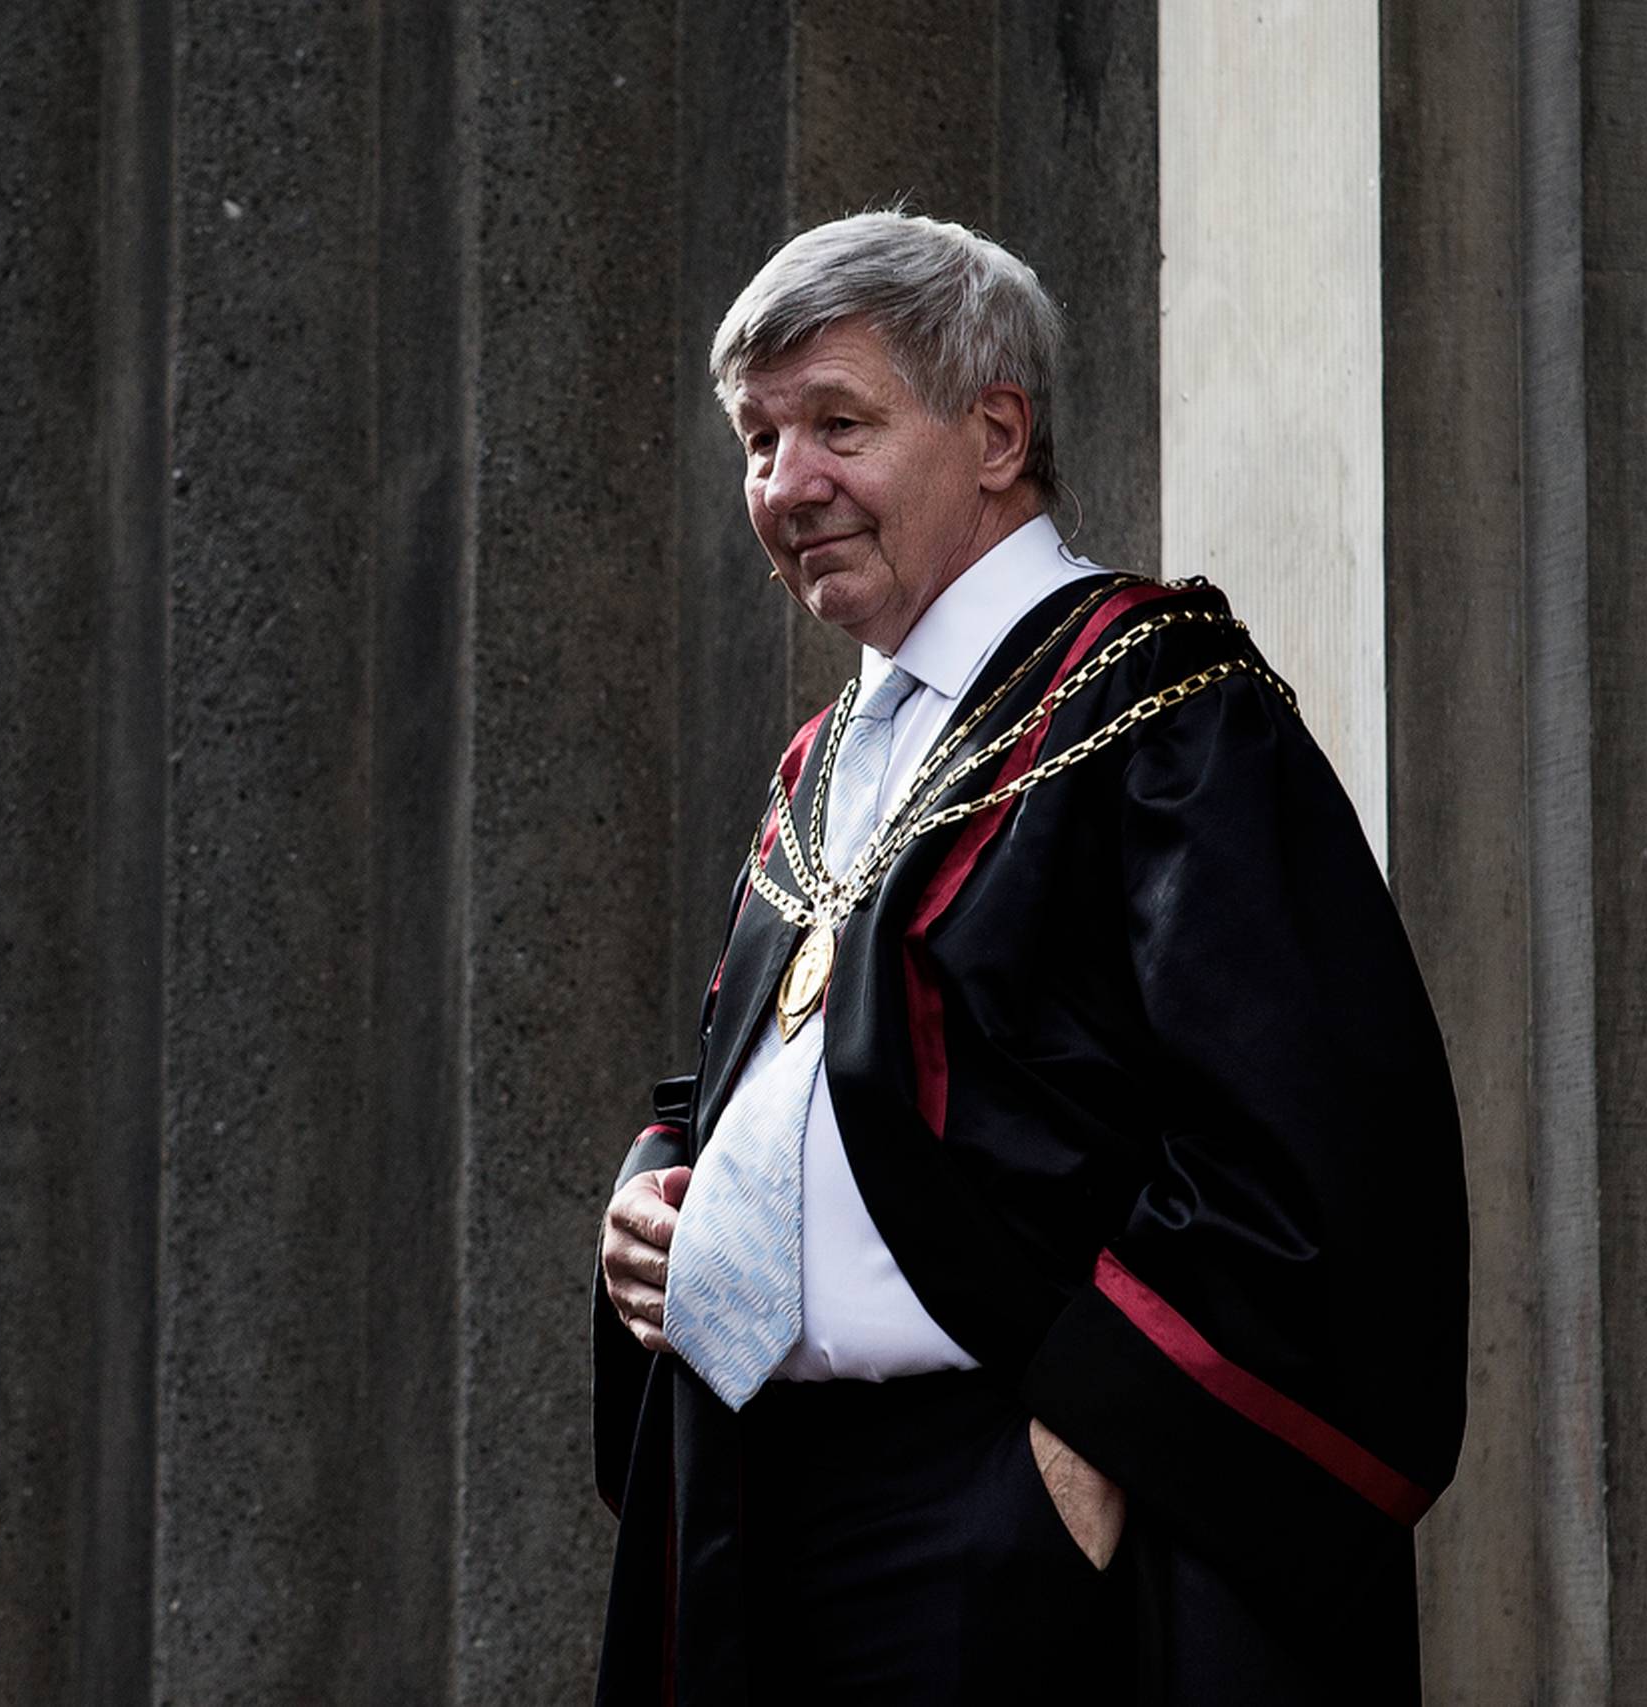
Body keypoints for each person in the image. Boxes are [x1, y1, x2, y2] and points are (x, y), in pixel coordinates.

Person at [590, 211, 1468, 1705]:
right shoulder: (837, 756)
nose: (786, 485)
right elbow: (772, 1070)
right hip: (760, 1498)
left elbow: (1311, 1139)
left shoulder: (1162, 708)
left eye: (838, 427)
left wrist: (1092, 1451)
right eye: (758, 440)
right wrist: (660, 1182)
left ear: (996, 431)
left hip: (1006, 1519)